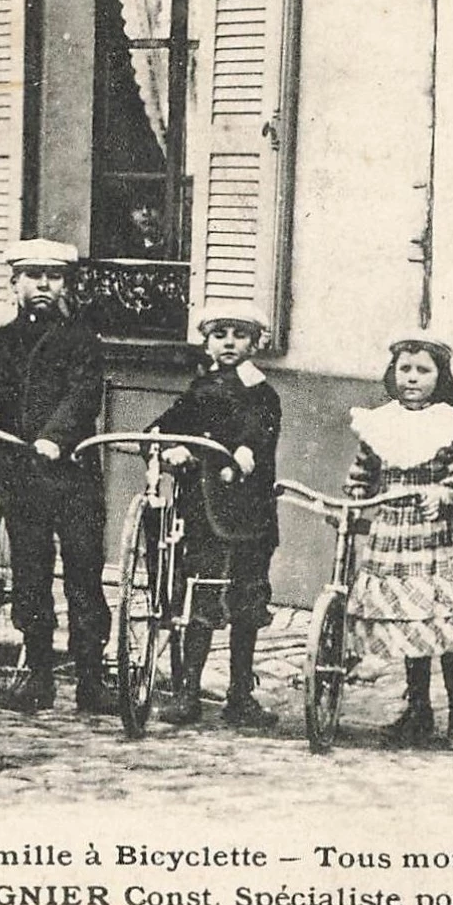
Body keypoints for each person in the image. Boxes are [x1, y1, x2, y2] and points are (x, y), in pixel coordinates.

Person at [0, 239, 109, 713]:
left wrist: (55, 436)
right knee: (30, 575)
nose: (43, 285)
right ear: (15, 284)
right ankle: (39, 675)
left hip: (71, 478)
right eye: (33, 276)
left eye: (54, 277)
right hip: (20, 477)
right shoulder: (0, 341)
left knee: (83, 577)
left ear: (66, 284)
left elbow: (83, 395)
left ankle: (91, 680)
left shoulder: (83, 340)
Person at [344, 333, 453, 751]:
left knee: (447, 625)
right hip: (394, 537)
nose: (412, 378)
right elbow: (362, 474)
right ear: (394, 374)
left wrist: (445, 493)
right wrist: (354, 499)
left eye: (423, 370)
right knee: (410, 623)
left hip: (441, 538)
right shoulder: (379, 423)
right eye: (405, 369)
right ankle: (417, 710)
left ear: (440, 376)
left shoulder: (452, 425)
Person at [151, 300, 282, 729]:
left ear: (255, 344)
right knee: (201, 596)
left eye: (239, 335)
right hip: (204, 511)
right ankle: (188, 692)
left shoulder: (261, 392)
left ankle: (241, 695)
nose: (229, 343)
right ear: (206, 343)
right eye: (220, 335)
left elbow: (257, 432)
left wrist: (243, 452)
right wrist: (163, 442)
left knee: (247, 601)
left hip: (248, 514)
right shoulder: (199, 388)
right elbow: (174, 422)